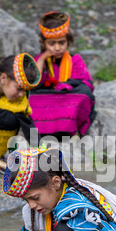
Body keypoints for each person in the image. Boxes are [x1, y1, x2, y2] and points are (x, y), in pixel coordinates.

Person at [28, 11, 96, 139]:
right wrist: (42, 59)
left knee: (84, 94)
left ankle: (69, 129)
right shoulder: (37, 60)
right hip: (48, 96)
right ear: (42, 43)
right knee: (30, 99)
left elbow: (87, 84)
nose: (57, 48)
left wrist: (67, 86)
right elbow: (32, 83)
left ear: (68, 42)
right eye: (52, 44)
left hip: (67, 97)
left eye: (61, 43)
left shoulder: (75, 60)